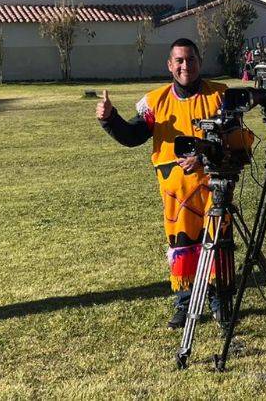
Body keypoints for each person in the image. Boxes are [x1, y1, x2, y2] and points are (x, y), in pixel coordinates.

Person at [96, 38, 253, 329]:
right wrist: (110, 119)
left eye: (190, 60)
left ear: (199, 63)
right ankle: (185, 301)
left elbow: (237, 142)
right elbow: (133, 135)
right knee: (183, 245)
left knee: (219, 244)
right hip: (175, 193)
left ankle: (220, 302)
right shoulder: (156, 101)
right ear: (170, 65)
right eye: (179, 61)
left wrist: (205, 155)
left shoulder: (220, 96)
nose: (185, 66)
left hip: (213, 188)